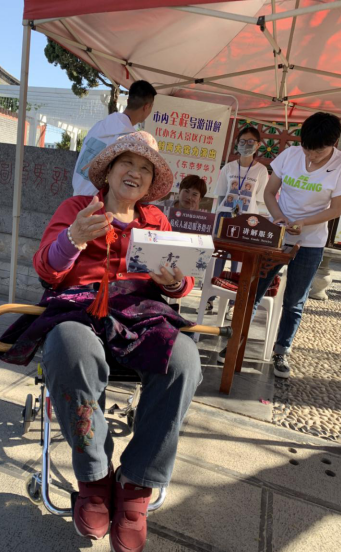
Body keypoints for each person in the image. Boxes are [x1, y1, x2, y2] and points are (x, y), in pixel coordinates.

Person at [27, 132, 202, 552]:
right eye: (128, 163)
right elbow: (46, 270)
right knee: (70, 348)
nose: (135, 173)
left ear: (151, 184)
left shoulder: (156, 220)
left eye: (145, 169)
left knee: (184, 360)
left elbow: (183, 282)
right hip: (78, 308)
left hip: (139, 314)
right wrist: (73, 238)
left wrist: (174, 281)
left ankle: (137, 482)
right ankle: (95, 477)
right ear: (108, 171)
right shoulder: (76, 209)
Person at [217, 112, 341, 378]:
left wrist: (304, 222)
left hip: (310, 242)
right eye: (307, 149)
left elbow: (336, 209)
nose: (311, 156)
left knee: (294, 300)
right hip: (276, 235)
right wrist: (279, 218)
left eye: (318, 152)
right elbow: (269, 192)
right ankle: (235, 343)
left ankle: (282, 350)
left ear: (334, 143)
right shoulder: (290, 155)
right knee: (254, 290)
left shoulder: (340, 165)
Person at [207, 126, 269, 316]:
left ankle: (233, 302)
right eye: (242, 141)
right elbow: (221, 194)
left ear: (258, 145)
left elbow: (259, 199)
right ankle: (210, 298)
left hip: (248, 220)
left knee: (239, 261)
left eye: (250, 142)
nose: (246, 145)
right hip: (225, 217)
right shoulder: (228, 167)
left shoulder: (261, 170)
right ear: (237, 144)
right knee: (218, 257)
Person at [72, 80, 157, 196]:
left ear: (128, 101)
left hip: (76, 195)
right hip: (98, 200)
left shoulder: (99, 125)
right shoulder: (129, 139)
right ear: (147, 107)